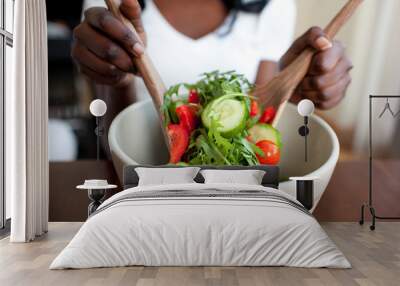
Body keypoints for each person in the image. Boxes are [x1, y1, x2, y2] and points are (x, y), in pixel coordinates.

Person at [72, 0, 352, 133]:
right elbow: (112, 141)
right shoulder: (114, 4)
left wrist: (292, 88)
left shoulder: (273, 5)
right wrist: (119, 78)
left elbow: (254, 124)